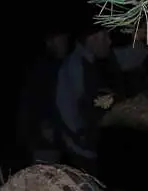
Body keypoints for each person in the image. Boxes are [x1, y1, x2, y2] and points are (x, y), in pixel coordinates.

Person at [54, 25, 117, 174]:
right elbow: (66, 106)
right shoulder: (75, 65)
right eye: (104, 37)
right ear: (92, 39)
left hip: (94, 147)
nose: (109, 41)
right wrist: (81, 136)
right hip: (83, 152)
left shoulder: (94, 62)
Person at [16, 28, 70, 166]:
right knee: (46, 176)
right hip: (45, 137)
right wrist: (45, 125)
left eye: (65, 39)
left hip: (60, 135)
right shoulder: (44, 67)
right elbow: (38, 99)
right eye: (61, 39)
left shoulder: (63, 65)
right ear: (50, 42)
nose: (65, 43)